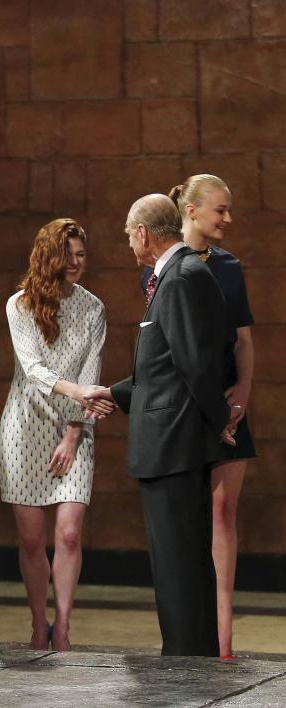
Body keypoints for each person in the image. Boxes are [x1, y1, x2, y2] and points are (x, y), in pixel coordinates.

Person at [86, 194, 231, 657]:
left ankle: (187, 660)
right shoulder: (175, 275)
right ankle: (187, 653)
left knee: (178, 561)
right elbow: (165, 366)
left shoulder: (183, 276)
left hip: (175, 444)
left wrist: (220, 421)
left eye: (130, 235)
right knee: (177, 559)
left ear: (144, 233)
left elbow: (196, 364)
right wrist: (117, 393)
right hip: (172, 440)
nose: (130, 243)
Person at [153, 175, 255, 659]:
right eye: (220, 210)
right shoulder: (167, 267)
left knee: (223, 510)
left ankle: (224, 631)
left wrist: (244, 392)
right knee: (190, 515)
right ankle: (191, 627)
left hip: (228, 399)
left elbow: (243, 339)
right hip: (187, 406)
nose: (228, 220)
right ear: (190, 211)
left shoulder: (229, 267)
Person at [0, 218, 110, 651]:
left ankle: (62, 629)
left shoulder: (93, 308)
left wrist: (74, 431)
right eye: (68, 255)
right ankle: (37, 622)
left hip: (75, 428)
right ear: (48, 257)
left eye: (82, 254)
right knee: (31, 538)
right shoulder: (19, 305)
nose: (76, 263)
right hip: (25, 426)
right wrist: (78, 391)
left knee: (67, 533)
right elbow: (34, 370)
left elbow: (91, 372)